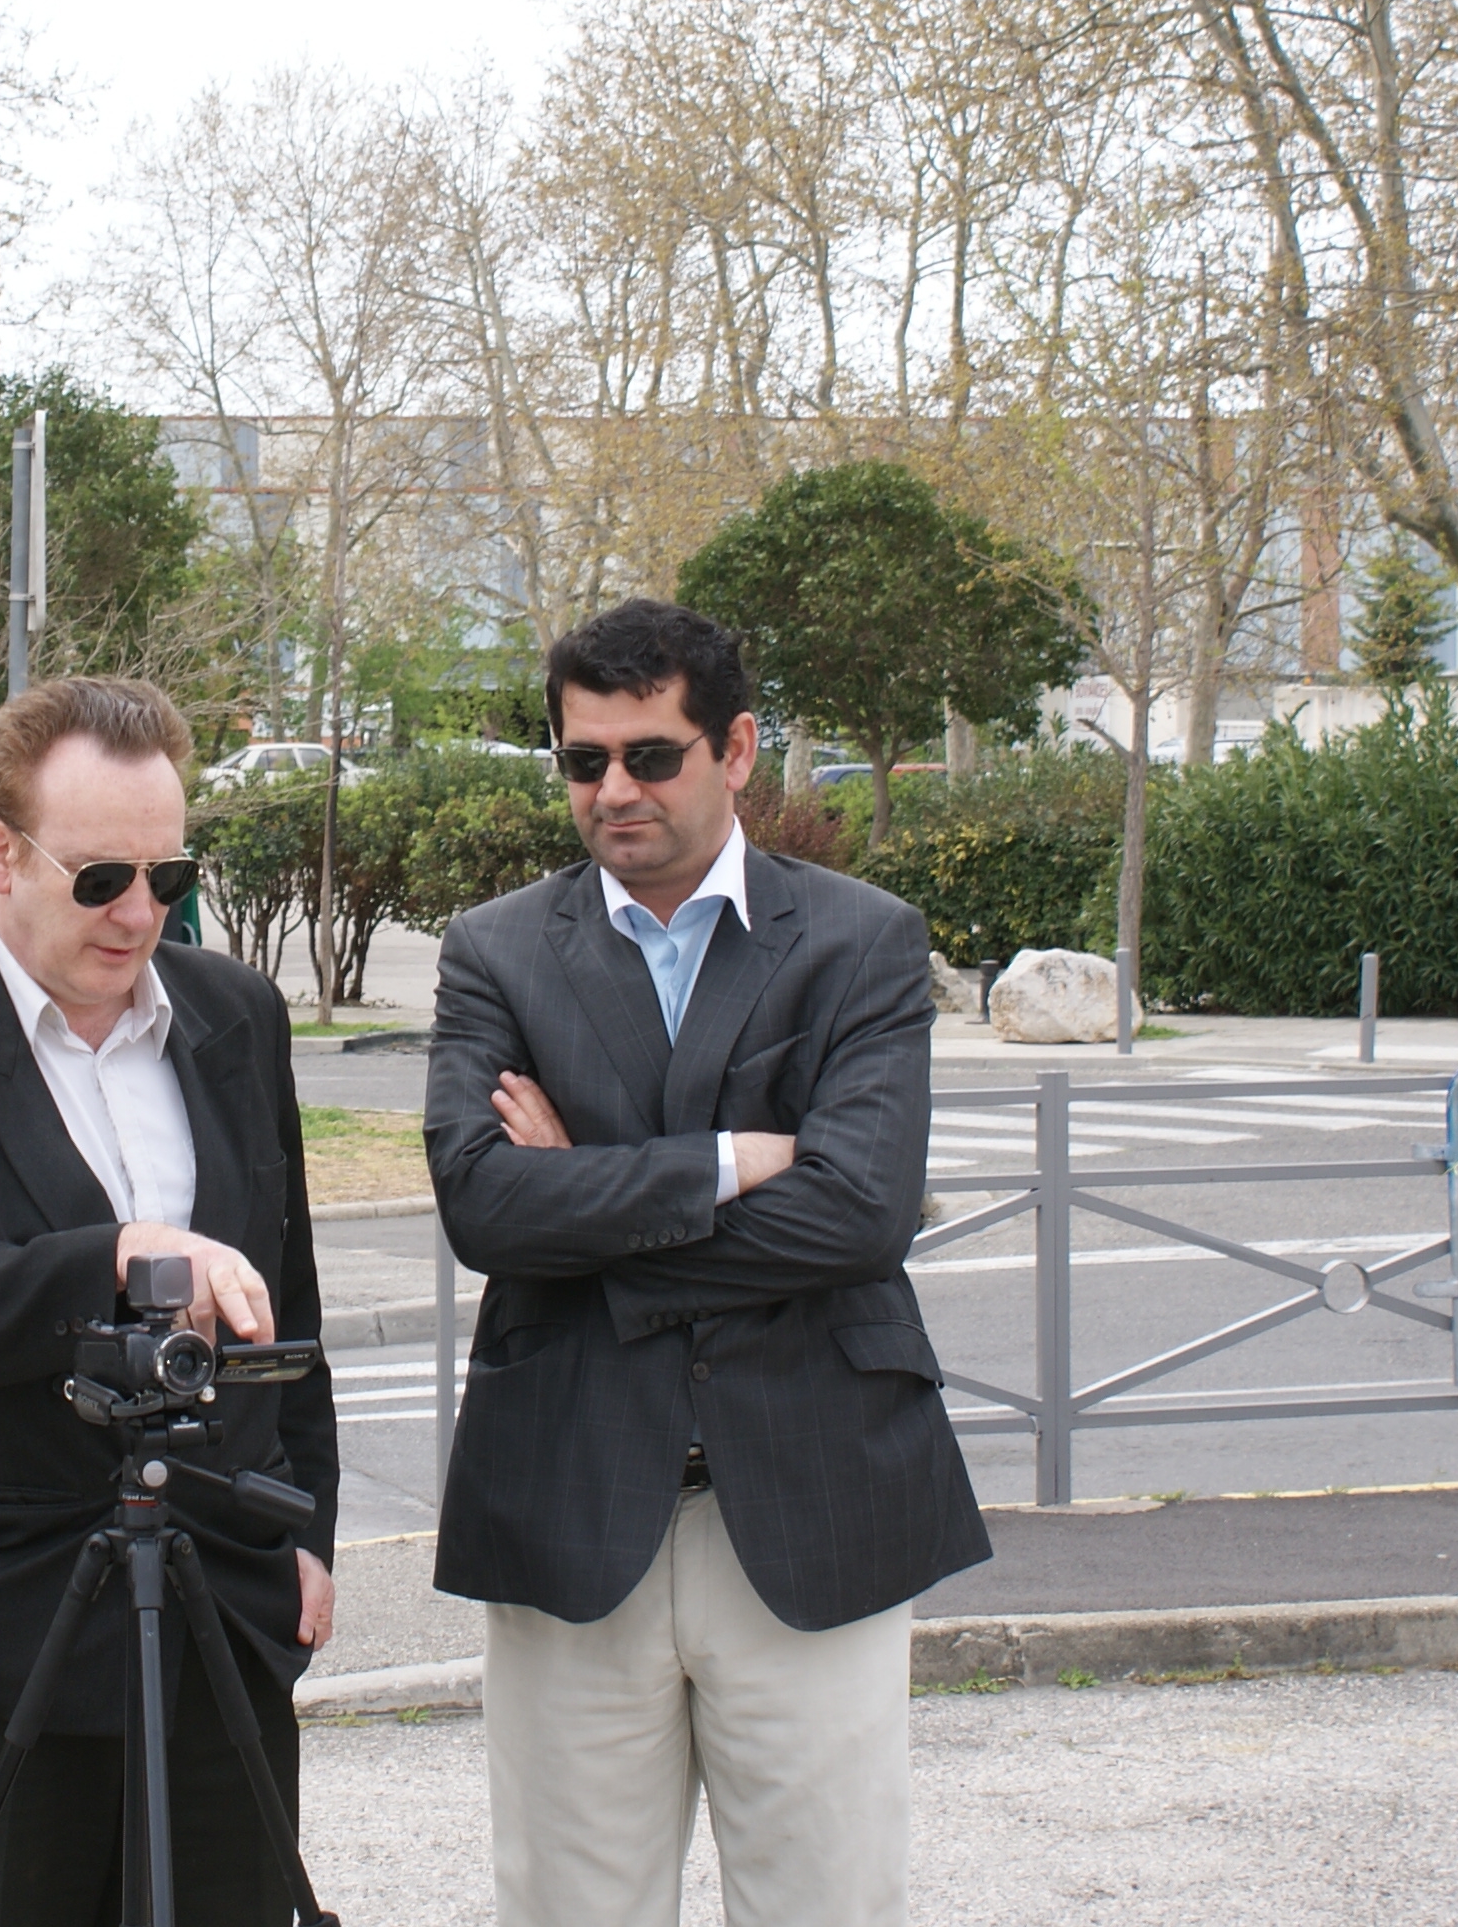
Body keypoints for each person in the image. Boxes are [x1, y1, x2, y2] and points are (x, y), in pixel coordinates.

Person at [427, 596, 989, 1927]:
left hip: (815, 1499)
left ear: (734, 750)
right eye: (583, 761)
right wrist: (730, 1161)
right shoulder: (494, 950)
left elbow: (858, 1215)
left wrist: (583, 1198)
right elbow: (485, 1212)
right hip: (568, 1501)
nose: (613, 789)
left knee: (828, 1906)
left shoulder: (860, 940)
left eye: (649, 755)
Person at [0, 674, 341, 1927]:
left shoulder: (236, 1015)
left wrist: (309, 1526)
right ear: (0, 853)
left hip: (222, 1632)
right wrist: (118, 1254)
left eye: (167, 875)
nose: (139, 912)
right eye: (99, 879)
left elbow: (285, 1293)